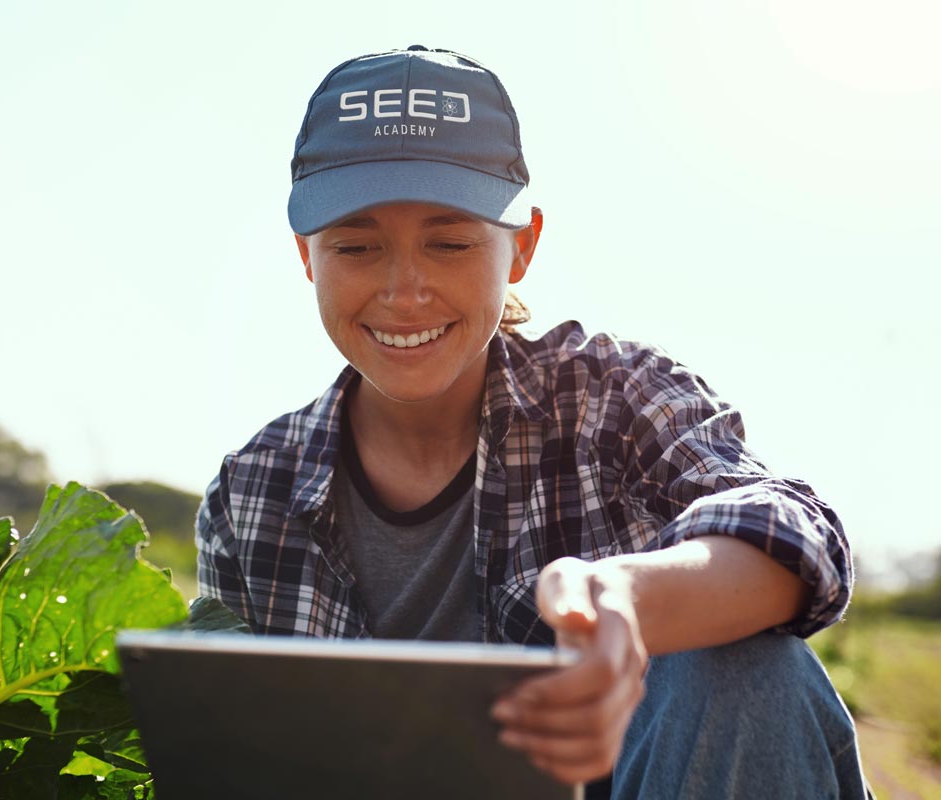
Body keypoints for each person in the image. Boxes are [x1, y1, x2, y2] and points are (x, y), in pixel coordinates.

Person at [196, 45, 870, 798]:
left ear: (522, 247)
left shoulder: (611, 397)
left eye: (450, 243)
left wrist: (627, 602)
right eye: (357, 246)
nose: (405, 290)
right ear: (306, 256)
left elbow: (797, 527)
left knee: (752, 671)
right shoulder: (251, 496)